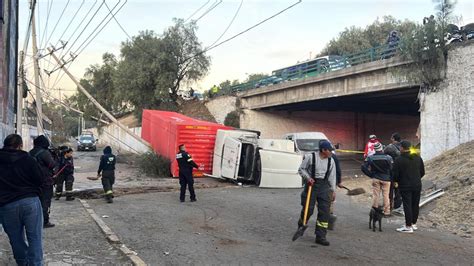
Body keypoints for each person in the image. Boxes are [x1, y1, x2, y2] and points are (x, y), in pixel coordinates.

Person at [0, 134, 45, 265]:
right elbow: (40, 179)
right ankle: (36, 263)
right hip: (30, 202)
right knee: (35, 237)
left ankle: (23, 263)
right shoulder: (28, 159)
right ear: (20, 145)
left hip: (7, 205)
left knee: (16, 238)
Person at [294, 140, 336, 246]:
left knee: (325, 212)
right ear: (323, 150)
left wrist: (333, 190)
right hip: (311, 185)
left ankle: (320, 236)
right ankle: (301, 225)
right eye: (329, 150)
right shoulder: (310, 157)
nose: (331, 152)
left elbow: (332, 177)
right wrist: (308, 178)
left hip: (324, 187)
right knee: (308, 209)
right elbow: (301, 169)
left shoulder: (331, 161)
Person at [393, 140, 425, 233]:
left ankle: (408, 226)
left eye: (400, 147)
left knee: (407, 205)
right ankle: (413, 224)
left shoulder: (399, 160)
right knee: (415, 204)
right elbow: (422, 172)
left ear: (402, 148)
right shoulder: (418, 158)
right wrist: (416, 179)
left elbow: (395, 175)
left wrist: (398, 181)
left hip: (405, 185)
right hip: (417, 185)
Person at [30, 135, 57, 228]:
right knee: (45, 201)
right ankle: (44, 221)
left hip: (33, 182)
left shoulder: (31, 152)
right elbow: (52, 164)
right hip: (45, 181)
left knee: (34, 202)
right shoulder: (45, 153)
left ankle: (34, 220)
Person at [362, 142, 393, 216]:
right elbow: (392, 169)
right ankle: (387, 212)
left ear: (374, 150)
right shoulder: (388, 157)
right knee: (386, 196)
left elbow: (363, 167)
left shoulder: (370, 157)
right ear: (382, 148)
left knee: (376, 195)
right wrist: (391, 177)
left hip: (376, 178)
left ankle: (374, 211)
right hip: (386, 179)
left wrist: (370, 175)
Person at [384, 132, 403, 214]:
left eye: (391, 138)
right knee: (399, 189)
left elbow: (384, 155)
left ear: (393, 139)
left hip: (391, 171)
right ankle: (397, 206)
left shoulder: (389, 147)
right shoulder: (403, 146)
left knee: (390, 190)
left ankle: (389, 206)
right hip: (402, 171)